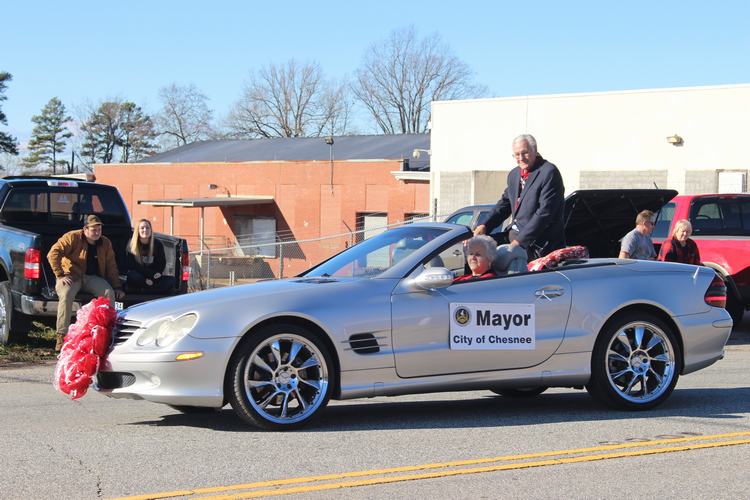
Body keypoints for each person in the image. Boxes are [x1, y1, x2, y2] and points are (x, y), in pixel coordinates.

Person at [474, 134, 565, 260]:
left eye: (525, 153)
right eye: (517, 154)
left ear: (535, 151)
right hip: (513, 236)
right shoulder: (514, 174)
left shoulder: (549, 172)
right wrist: (484, 225)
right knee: (477, 251)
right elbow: (504, 204)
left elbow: (544, 214)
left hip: (538, 245)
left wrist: (518, 243)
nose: (521, 158)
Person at [48, 214, 124, 351]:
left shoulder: (105, 243)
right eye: (94, 230)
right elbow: (53, 253)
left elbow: (111, 265)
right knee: (66, 295)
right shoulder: (72, 237)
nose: (97, 233)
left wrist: (117, 286)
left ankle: (106, 335)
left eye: (99, 230)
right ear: (85, 229)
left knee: (108, 293)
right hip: (71, 275)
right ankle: (61, 338)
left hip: (91, 277)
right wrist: (60, 274)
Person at [125, 219, 176, 293]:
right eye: (142, 228)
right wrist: (146, 278)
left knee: (171, 280)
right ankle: (152, 290)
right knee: (132, 276)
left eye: (147, 227)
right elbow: (132, 266)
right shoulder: (131, 245)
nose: (145, 230)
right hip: (139, 276)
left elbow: (161, 264)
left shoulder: (157, 244)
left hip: (153, 277)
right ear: (137, 231)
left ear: (151, 230)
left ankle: (144, 290)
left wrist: (152, 278)